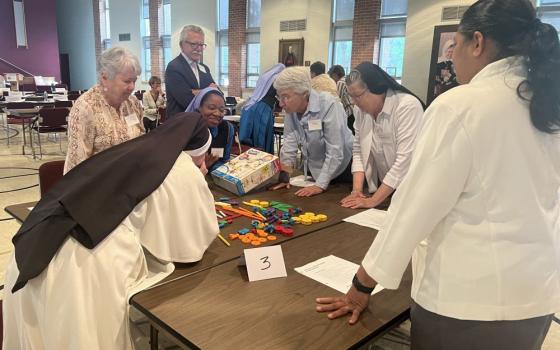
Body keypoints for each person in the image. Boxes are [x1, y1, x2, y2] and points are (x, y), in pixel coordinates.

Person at [316, 1, 560, 349]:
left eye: (454, 46)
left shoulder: (461, 105)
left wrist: (362, 284)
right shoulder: (547, 103)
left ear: (477, 43)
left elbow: (414, 209)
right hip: (538, 293)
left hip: (469, 302)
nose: (451, 57)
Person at [3, 114, 218, 349]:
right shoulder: (181, 167)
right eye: (202, 160)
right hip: (84, 266)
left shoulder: (138, 148)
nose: (204, 166)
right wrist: (197, 175)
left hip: (40, 243)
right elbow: (192, 244)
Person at [340, 62, 424, 210]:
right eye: (350, 96)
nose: (354, 102)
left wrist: (372, 201)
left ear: (376, 89)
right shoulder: (360, 111)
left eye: (357, 96)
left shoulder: (407, 106)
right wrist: (357, 191)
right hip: (387, 190)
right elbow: (359, 150)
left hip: (415, 190)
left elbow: (404, 161)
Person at [270, 66, 353, 197]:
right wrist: (285, 175)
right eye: (279, 97)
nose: (281, 103)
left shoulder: (329, 104)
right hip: (316, 171)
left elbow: (335, 150)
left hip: (342, 172)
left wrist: (320, 185)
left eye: (285, 97)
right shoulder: (292, 110)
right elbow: (289, 143)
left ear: (304, 93)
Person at [65, 46, 144, 173]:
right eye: (127, 81)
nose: (132, 87)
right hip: (99, 185)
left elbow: (141, 144)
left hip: (133, 180)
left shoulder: (133, 103)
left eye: (134, 81)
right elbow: (76, 166)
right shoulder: (85, 108)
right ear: (105, 77)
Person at [165, 25, 217, 119]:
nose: (198, 48)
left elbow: (217, 93)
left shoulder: (204, 68)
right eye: (194, 44)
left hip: (201, 124)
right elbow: (187, 100)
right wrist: (207, 91)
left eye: (201, 45)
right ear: (181, 45)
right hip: (180, 125)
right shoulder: (174, 67)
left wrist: (196, 92)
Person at [186, 86, 235, 172]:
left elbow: (224, 160)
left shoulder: (227, 129)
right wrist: (204, 165)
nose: (217, 113)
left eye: (221, 110)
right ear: (199, 107)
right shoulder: (188, 130)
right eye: (211, 108)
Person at [239, 63, 285, 154]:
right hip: (264, 110)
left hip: (253, 107)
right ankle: (263, 157)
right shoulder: (278, 78)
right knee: (262, 137)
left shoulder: (265, 76)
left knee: (253, 137)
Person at [328, 64, 355, 134]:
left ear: (334, 75)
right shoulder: (348, 79)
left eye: (331, 77)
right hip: (354, 113)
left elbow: (337, 101)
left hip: (350, 115)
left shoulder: (340, 82)